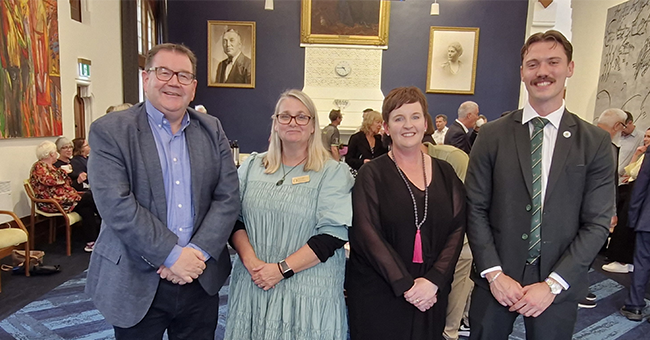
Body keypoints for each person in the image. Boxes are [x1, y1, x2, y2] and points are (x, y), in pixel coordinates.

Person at [465, 30, 615, 340]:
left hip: (558, 280)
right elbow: (474, 208)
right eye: (533, 64)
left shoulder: (595, 142)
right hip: (497, 279)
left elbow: (597, 223)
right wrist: (494, 274)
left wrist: (553, 284)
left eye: (553, 62)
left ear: (569, 68)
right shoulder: (491, 135)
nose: (542, 72)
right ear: (522, 72)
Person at [85, 43, 240, 339]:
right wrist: (171, 255)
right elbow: (116, 205)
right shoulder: (110, 131)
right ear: (146, 79)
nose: (173, 82)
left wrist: (194, 254)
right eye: (164, 72)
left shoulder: (212, 128)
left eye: (183, 76)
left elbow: (228, 196)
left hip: (199, 276)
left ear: (193, 88)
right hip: (134, 279)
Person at [225, 89, 353, 339]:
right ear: (275, 122)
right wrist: (254, 266)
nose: (293, 122)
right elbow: (233, 220)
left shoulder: (333, 173)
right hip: (255, 283)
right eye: (285, 116)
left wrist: (280, 270)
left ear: (313, 125)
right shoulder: (252, 167)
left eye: (301, 117)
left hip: (308, 290)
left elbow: (332, 236)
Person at [347, 86, 466, 340]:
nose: (408, 125)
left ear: (425, 123)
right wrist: (406, 286)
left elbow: (457, 228)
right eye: (398, 118)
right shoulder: (372, 174)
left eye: (415, 116)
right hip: (381, 291)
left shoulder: (446, 173)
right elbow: (366, 233)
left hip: (431, 293)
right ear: (386, 128)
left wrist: (434, 280)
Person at [30, 141, 100, 252]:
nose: (56, 155)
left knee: (86, 208)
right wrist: (63, 172)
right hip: (52, 202)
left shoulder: (51, 167)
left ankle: (91, 242)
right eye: (54, 152)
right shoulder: (39, 167)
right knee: (89, 197)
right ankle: (110, 227)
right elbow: (52, 181)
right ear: (50, 154)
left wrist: (64, 174)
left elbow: (66, 181)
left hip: (64, 198)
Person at [603, 127, 650, 275]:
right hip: (633, 189)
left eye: (649, 136)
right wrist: (637, 153)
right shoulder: (644, 154)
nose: (646, 139)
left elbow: (635, 173)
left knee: (628, 226)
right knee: (624, 224)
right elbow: (628, 170)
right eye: (646, 136)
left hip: (640, 194)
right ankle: (623, 259)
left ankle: (624, 261)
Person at [620, 143, 650, 321]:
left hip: (648, 220)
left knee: (642, 263)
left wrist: (632, 217)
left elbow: (642, 184)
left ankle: (634, 307)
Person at [618, 111, 644, 184]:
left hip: (626, 182)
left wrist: (633, 176)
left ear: (630, 122)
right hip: (612, 179)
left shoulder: (642, 137)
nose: (621, 129)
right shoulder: (617, 136)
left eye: (623, 127)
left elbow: (642, 160)